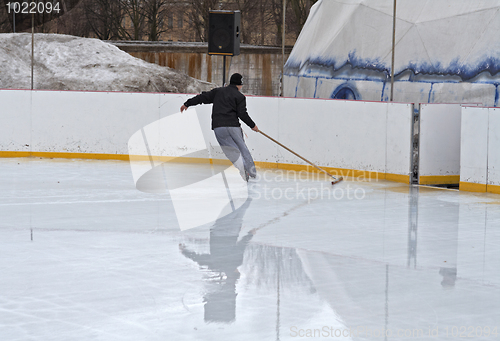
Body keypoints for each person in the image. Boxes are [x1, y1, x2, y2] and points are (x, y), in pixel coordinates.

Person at [180, 73, 259, 181]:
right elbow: (242, 114)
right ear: (239, 85)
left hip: (219, 127)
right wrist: (252, 125)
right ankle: (252, 173)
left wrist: (187, 103)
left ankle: (243, 171)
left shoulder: (218, 92)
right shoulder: (240, 97)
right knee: (242, 148)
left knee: (232, 151)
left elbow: (202, 97)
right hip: (234, 127)